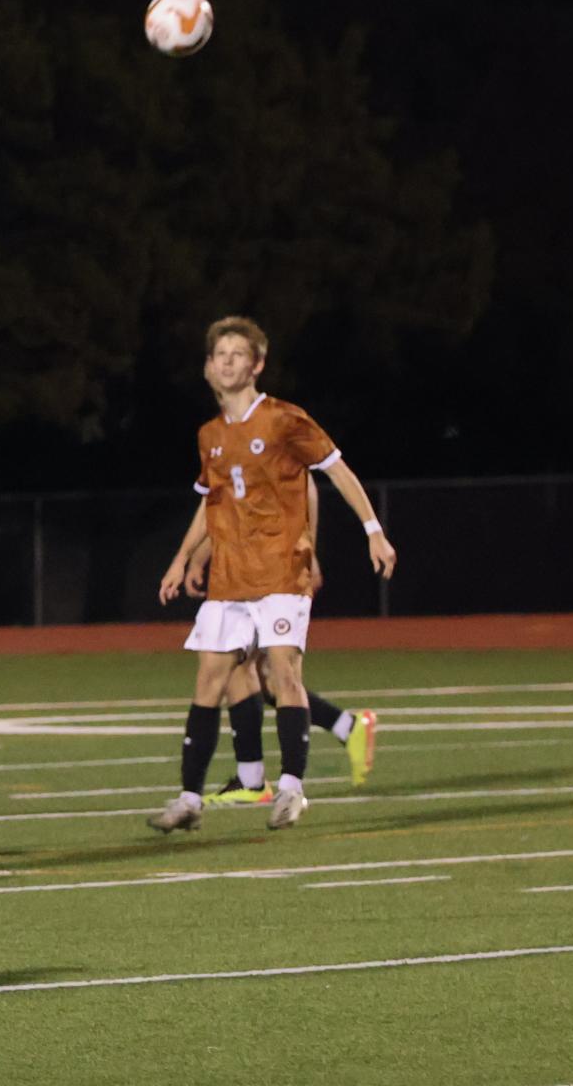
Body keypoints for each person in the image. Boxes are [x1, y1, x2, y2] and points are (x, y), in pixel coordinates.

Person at [152, 316, 396, 833]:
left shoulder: (284, 420)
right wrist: (183, 559)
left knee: (283, 672)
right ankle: (189, 798)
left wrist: (373, 529)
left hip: (281, 571)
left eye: (239, 354)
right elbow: (211, 503)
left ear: (257, 364)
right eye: (221, 355)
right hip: (230, 578)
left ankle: (290, 789)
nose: (228, 362)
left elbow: (334, 472)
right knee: (209, 681)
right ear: (208, 368)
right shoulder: (210, 435)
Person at [187, 495, 378, 808]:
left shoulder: (271, 450)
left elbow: (300, 491)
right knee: (256, 674)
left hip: (275, 574)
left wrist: (193, 558)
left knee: (267, 675)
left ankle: (263, 779)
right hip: (247, 571)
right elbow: (221, 502)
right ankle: (345, 727)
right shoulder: (235, 451)